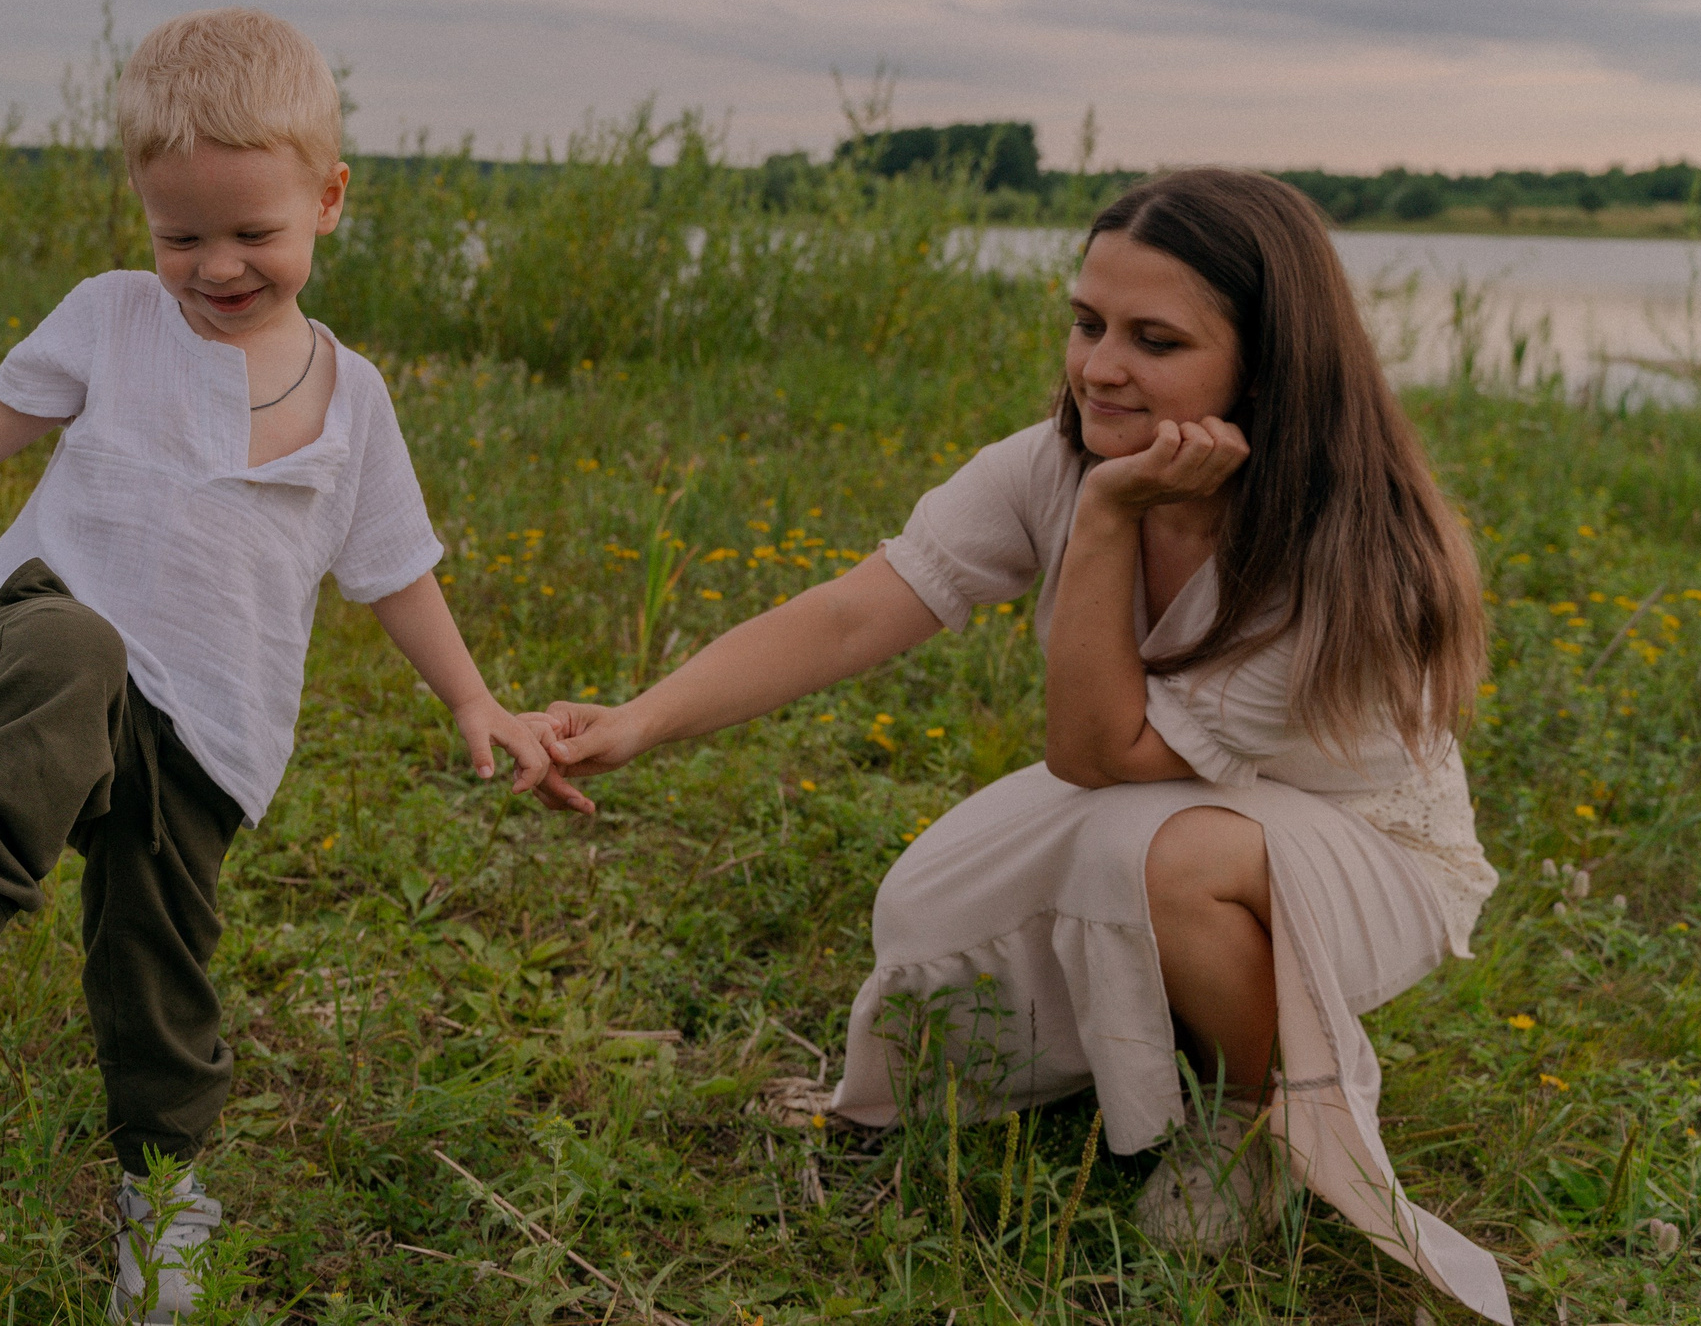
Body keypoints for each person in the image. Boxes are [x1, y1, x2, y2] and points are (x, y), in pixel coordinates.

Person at [536, 170, 1509, 1323]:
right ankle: (1145, 1037)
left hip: (1364, 849)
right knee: (924, 914)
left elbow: (1096, 755)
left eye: (1155, 339)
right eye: (1086, 321)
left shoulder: (1345, 553)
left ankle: (1258, 1112)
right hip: (1175, 802)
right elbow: (858, 610)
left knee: (1147, 860)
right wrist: (640, 717)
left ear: (1267, 362)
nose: (1099, 365)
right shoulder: (1046, 461)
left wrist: (1107, 518)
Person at [0, 8, 569, 1322]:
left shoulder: (355, 402)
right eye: (181, 236)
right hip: (50, 632)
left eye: (253, 234)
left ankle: (166, 1192)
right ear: (141, 215)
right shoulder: (114, 322)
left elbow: (394, 567)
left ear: (331, 201)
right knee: (75, 645)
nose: (217, 266)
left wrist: (473, 698)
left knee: (156, 956)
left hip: (213, 725)